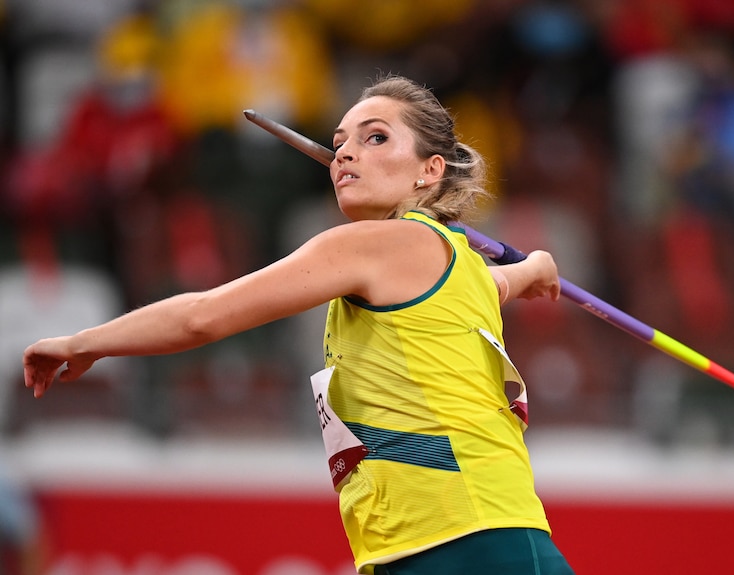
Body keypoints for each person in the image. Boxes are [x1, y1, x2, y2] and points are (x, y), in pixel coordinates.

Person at [22, 74, 572, 575]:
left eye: (375, 138)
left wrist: (85, 341)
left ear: (430, 169)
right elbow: (497, 286)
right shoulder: (457, 263)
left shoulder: (379, 246)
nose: (346, 154)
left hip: (469, 545)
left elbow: (202, 317)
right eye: (340, 144)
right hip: (454, 541)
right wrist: (532, 270)